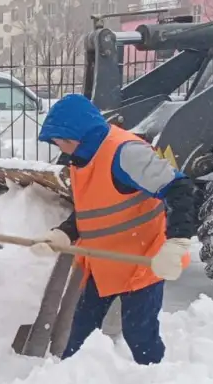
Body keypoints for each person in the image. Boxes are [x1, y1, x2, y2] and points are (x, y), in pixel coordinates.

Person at [30, 94, 198, 365]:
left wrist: (177, 242)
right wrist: (64, 233)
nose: (57, 146)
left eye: (58, 140)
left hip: (143, 259)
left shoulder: (126, 154)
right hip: (105, 263)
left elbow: (180, 188)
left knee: (139, 333)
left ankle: (156, 380)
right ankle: (69, 381)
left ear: (74, 136)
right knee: (79, 332)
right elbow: (93, 208)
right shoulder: (82, 159)